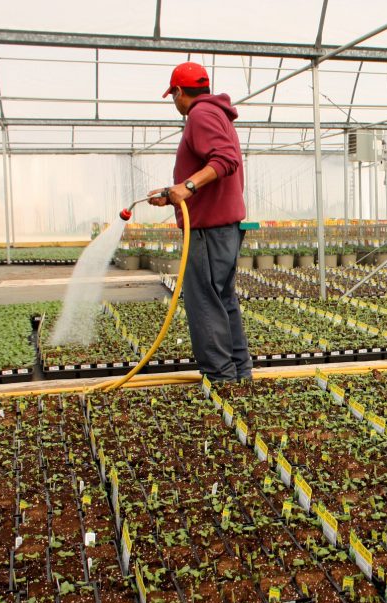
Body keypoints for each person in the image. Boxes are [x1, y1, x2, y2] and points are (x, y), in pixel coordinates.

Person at [149, 61, 252, 382]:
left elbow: (225, 159)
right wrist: (173, 193)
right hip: (223, 227)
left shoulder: (200, 115)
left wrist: (187, 186)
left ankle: (221, 380)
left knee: (204, 303)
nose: (174, 102)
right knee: (222, 300)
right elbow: (217, 165)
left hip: (209, 230)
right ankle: (239, 373)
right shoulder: (217, 113)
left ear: (180, 92)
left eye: (173, 96)